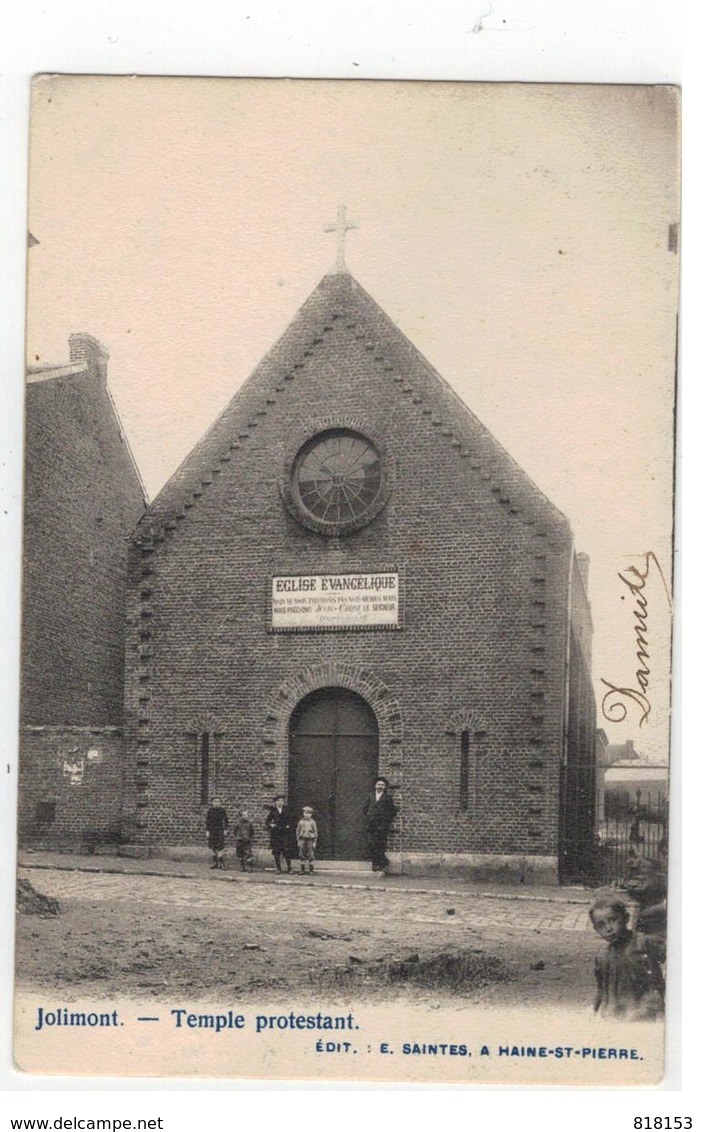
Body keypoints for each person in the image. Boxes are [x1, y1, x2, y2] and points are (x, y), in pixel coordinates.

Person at [589, 896, 665, 1021]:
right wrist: (593, 1012)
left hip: (644, 1016)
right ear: (596, 929)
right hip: (612, 1017)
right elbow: (601, 989)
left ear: (626, 918)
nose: (608, 928)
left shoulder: (644, 943)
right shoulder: (602, 956)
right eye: (601, 925)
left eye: (613, 920)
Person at [363, 776, 397, 876]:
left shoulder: (387, 798)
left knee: (380, 845)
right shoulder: (370, 796)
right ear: (375, 786)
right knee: (371, 844)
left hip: (382, 826)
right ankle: (380, 862)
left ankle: (379, 865)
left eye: (382, 785)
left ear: (385, 787)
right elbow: (365, 809)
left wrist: (385, 822)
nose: (380, 786)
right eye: (378, 784)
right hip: (372, 825)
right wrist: (370, 817)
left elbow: (392, 812)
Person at [265, 795, 293, 873]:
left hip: (285, 833)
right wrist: (271, 825)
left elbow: (292, 820)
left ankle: (289, 868)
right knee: (276, 851)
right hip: (276, 833)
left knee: (286, 850)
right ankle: (278, 868)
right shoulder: (273, 811)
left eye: (281, 801)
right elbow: (267, 822)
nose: (280, 802)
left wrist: (289, 826)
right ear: (275, 802)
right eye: (278, 801)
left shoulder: (287, 809)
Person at [205, 796, 229, 870]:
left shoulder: (222, 811)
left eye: (218, 801)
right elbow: (207, 822)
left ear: (220, 803)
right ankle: (215, 862)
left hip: (219, 830)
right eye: (215, 802)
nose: (216, 803)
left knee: (220, 846)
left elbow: (226, 820)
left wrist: (225, 829)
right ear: (212, 803)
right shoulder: (210, 811)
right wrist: (207, 831)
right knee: (213, 846)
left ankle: (221, 863)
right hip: (212, 830)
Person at [296, 806, 318, 875]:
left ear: (311, 814)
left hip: (310, 840)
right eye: (306, 813)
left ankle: (311, 870)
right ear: (303, 813)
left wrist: (315, 841)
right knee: (301, 854)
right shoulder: (301, 822)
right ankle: (302, 869)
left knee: (310, 854)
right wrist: (298, 840)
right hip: (302, 839)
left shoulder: (313, 822)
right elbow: (298, 831)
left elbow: (315, 831)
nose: (307, 814)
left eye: (309, 813)